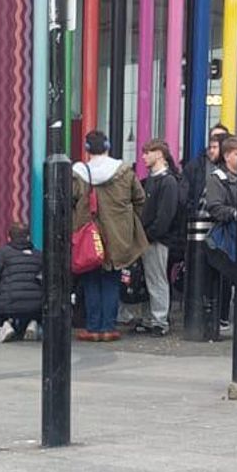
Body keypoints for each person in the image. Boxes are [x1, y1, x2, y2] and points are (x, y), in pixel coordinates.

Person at [72, 131, 149, 342]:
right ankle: (108, 327)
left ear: (87, 149)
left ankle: (93, 327)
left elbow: (70, 201)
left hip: (89, 236)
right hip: (118, 236)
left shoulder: (79, 173)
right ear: (107, 146)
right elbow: (140, 198)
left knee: (91, 282)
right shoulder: (124, 172)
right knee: (111, 281)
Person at [133, 138, 182, 337]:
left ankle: (159, 320)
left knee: (156, 279)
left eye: (147, 152)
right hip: (151, 237)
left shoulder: (166, 181)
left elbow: (165, 215)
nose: (143, 156)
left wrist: (149, 234)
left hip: (157, 239)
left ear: (159, 154)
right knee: (150, 279)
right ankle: (152, 318)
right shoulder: (158, 179)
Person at [0, 221, 43, 340]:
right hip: (36, 304)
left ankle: (3, 325)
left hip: (9, 303)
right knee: (29, 302)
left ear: (9, 237)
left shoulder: (2, 253)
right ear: (28, 237)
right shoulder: (39, 255)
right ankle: (32, 323)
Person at [204, 135, 237, 334]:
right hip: (228, 235)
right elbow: (214, 207)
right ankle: (220, 319)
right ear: (228, 156)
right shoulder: (217, 178)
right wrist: (235, 213)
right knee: (227, 277)